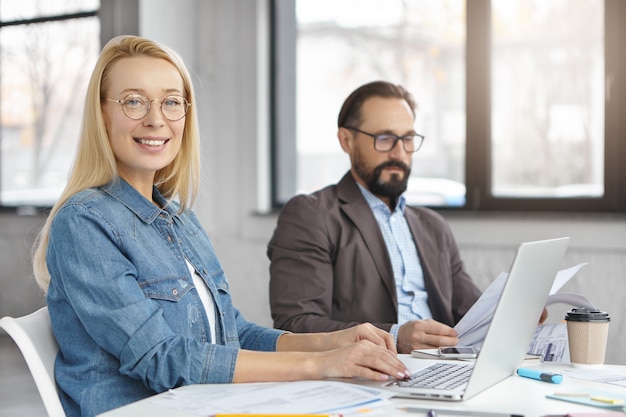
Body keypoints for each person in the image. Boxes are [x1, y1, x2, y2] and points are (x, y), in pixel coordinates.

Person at [32, 37, 410, 417]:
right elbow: (162, 358)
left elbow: (233, 335)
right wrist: (321, 365)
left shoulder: (179, 219)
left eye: (171, 102)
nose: (156, 119)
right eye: (133, 101)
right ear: (102, 115)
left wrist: (331, 343)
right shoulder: (83, 222)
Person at [267, 80, 484, 354]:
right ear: (347, 140)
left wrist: (514, 314)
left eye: (407, 139)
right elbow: (295, 325)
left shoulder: (433, 226)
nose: (399, 153)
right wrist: (393, 337)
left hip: (445, 368)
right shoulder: (311, 216)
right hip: (368, 375)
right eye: (384, 139)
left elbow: (473, 314)